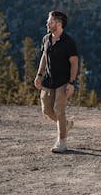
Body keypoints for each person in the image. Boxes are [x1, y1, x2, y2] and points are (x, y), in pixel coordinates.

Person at [34, 10, 78, 153]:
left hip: (63, 81)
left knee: (59, 110)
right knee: (46, 110)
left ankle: (62, 142)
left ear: (58, 24)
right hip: (48, 80)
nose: (47, 23)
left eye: (50, 22)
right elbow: (44, 57)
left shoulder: (69, 42)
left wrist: (72, 83)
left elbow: (74, 63)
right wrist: (39, 75)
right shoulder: (46, 39)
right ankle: (65, 124)